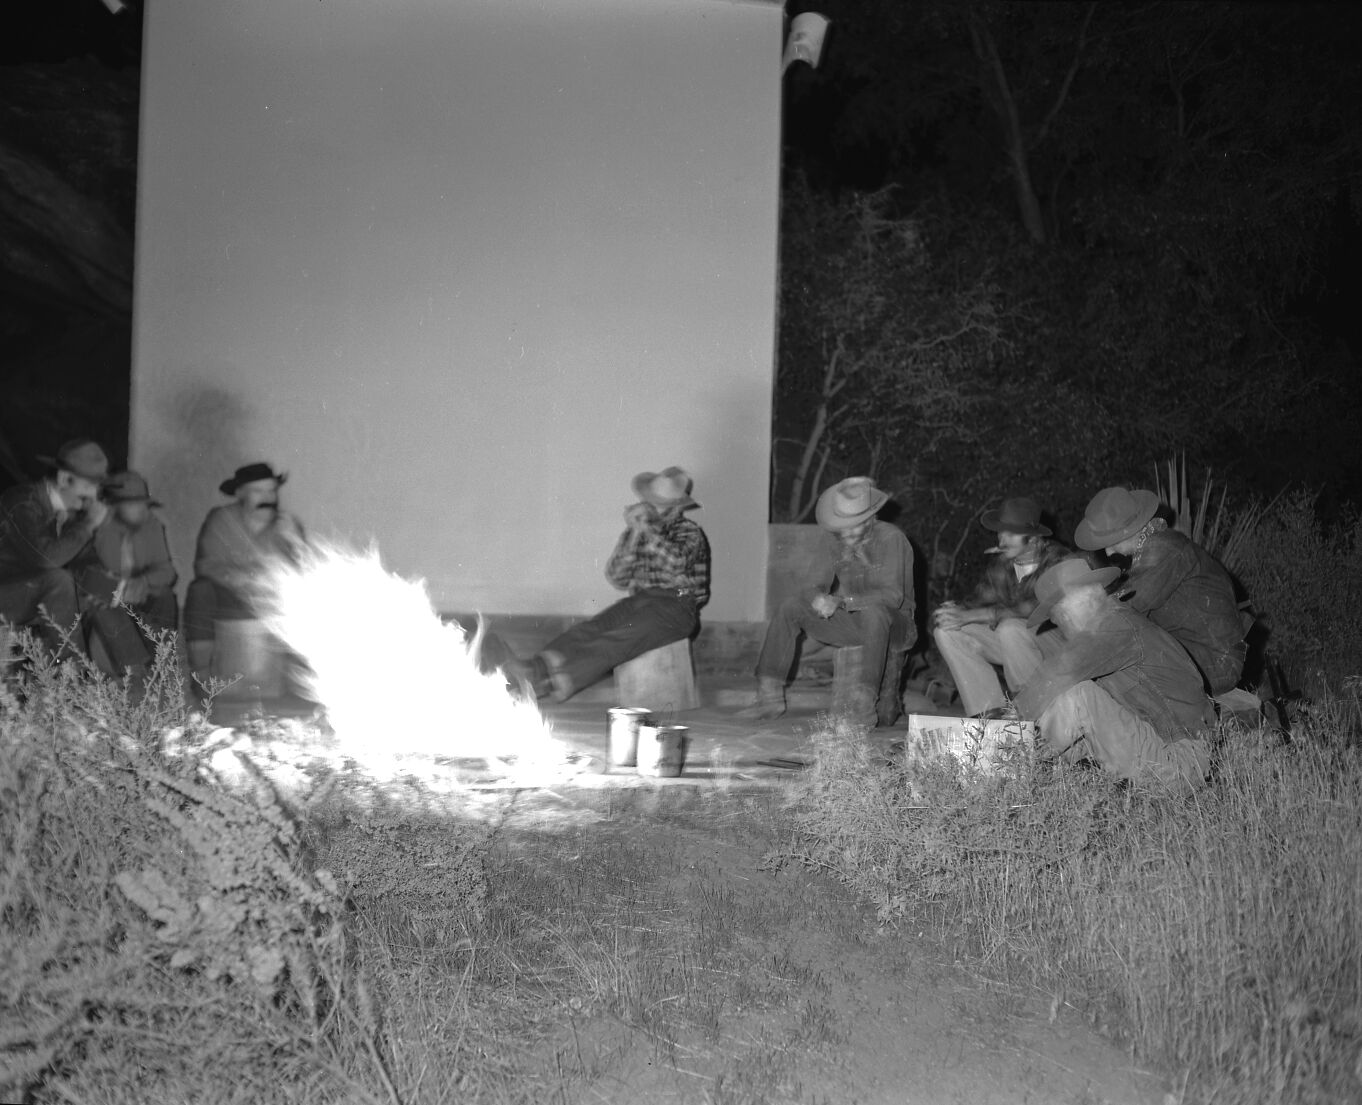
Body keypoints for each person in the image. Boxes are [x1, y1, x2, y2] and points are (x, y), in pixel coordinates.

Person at [1012, 557, 1214, 794]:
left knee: (1079, 696)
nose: (1060, 625)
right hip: (1171, 751)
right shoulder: (1118, 622)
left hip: (1180, 764)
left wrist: (1006, 722)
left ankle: (1009, 766)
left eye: (1058, 617)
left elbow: (1057, 672)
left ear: (1074, 605)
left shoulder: (1114, 626)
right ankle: (1023, 767)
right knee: (1073, 714)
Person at [508, 467, 710, 702]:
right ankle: (535, 669)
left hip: (677, 607)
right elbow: (617, 577)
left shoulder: (689, 532)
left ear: (676, 507)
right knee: (590, 629)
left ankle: (551, 683)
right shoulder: (640, 531)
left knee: (616, 640)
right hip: (641, 601)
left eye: (658, 503)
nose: (648, 506)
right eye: (648, 500)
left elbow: (676, 562)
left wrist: (646, 530)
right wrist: (634, 536)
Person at [739, 476, 915, 728]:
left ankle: (862, 707)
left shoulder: (891, 538)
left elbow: (892, 596)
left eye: (855, 525)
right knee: (790, 606)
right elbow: (811, 585)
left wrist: (841, 601)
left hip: (895, 628)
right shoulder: (835, 538)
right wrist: (818, 598)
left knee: (875, 611)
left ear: (870, 518)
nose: (848, 533)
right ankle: (768, 697)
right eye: (844, 526)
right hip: (858, 625)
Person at [1074, 486, 1245, 695]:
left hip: (1216, 662)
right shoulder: (1156, 544)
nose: (1108, 551)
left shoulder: (1163, 550)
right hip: (1198, 654)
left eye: (1112, 542)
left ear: (1131, 529)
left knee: (1116, 660)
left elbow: (1124, 612)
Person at [932, 496, 1070, 717]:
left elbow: (1036, 610)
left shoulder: (1058, 559)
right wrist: (953, 611)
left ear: (1033, 540)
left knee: (1011, 628)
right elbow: (976, 602)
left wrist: (979, 614)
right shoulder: (1003, 563)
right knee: (947, 631)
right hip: (1017, 646)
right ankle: (988, 715)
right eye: (1000, 532)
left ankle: (1028, 713)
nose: (1001, 539)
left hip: (1058, 649)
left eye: (1010, 534)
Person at [183, 462, 306, 682]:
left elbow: (303, 574)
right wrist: (244, 578)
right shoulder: (222, 519)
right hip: (228, 594)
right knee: (200, 591)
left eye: (272, 490)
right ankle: (201, 676)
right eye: (259, 491)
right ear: (240, 494)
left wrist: (297, 543)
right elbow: (206, 566)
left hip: (269, 600)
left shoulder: (287, 525)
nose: (268, 498)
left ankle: (292, 681)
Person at [0, 438, 111, 657]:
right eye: (88, 486)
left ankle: (65, 668)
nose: (93, 495)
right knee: (59, 580)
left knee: (89, 587)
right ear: (63, 479)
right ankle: (72, 672)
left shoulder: (60, 509)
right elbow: (47, 558)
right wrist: (88, 525)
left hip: (20, 591)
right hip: (6, 592)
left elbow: (77, 559)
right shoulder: (23, 502)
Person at [73, 470, 179, 681]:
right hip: (100, 605)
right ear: (113, 506)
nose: (141, 509)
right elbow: (80, 573)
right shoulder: (94, 528)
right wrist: (118, 589)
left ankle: (161, 662)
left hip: (138, 596)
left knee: (165, 596)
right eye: (132, 503)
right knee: (104, 604)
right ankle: (133, 669)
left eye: (143, 503)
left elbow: (167, 571)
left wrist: (143, 582)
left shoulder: (152, 525)